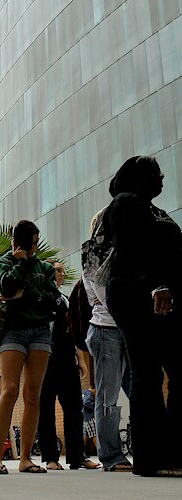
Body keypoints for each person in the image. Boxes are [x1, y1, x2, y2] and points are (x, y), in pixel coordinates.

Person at [103, 156, 182, 477]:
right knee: (146, 372)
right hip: (136, 292)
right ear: (137, 177)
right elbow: (135, 249)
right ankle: (151, 459)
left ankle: (172, 452)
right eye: (155, 173)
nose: (161, 178)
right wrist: (158, 284)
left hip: (160, 294)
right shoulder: (125, 204)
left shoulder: (153, 208)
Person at [0, 220, 61, 475]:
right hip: (12, 331)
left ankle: (26, 458)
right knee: (9, 390)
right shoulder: (3, 263)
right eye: (31, 243)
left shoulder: (45, 267)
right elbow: (5, 287)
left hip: (40, 330)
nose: (34, 247)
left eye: (35, 242)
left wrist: (26, 295)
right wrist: (21, 264)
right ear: (17, 242)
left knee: (33, 394)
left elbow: (54, 299)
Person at [82, 209, 132, 472]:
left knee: (138, 391)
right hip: (105, 329)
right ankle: (111, 456)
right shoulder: (93, 252)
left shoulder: (122, 249)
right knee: (107, 398)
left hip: (124, 329)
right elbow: (104, 294)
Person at [37, 261, 99, 470]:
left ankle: (77, 456)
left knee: (75, 407)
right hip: (43, 358)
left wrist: (81, 360)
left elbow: (73, 332)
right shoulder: (38, 296)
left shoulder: (65, 298)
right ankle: (50, 458)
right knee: (45, 408)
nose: (61, 274)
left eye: (62, 270)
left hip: (66, 358)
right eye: (56, 270)